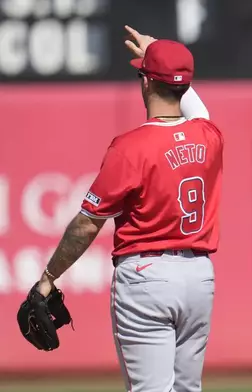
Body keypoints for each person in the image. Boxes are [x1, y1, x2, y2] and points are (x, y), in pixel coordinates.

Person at [32, 26, 223, 392]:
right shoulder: (209, 136)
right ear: (183, 86)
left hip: (146, 277)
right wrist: (164, 59)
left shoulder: (131, 147)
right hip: (199, 276)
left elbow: (88, 224)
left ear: (147, 83)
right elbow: (198, 109)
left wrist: (49, 277)